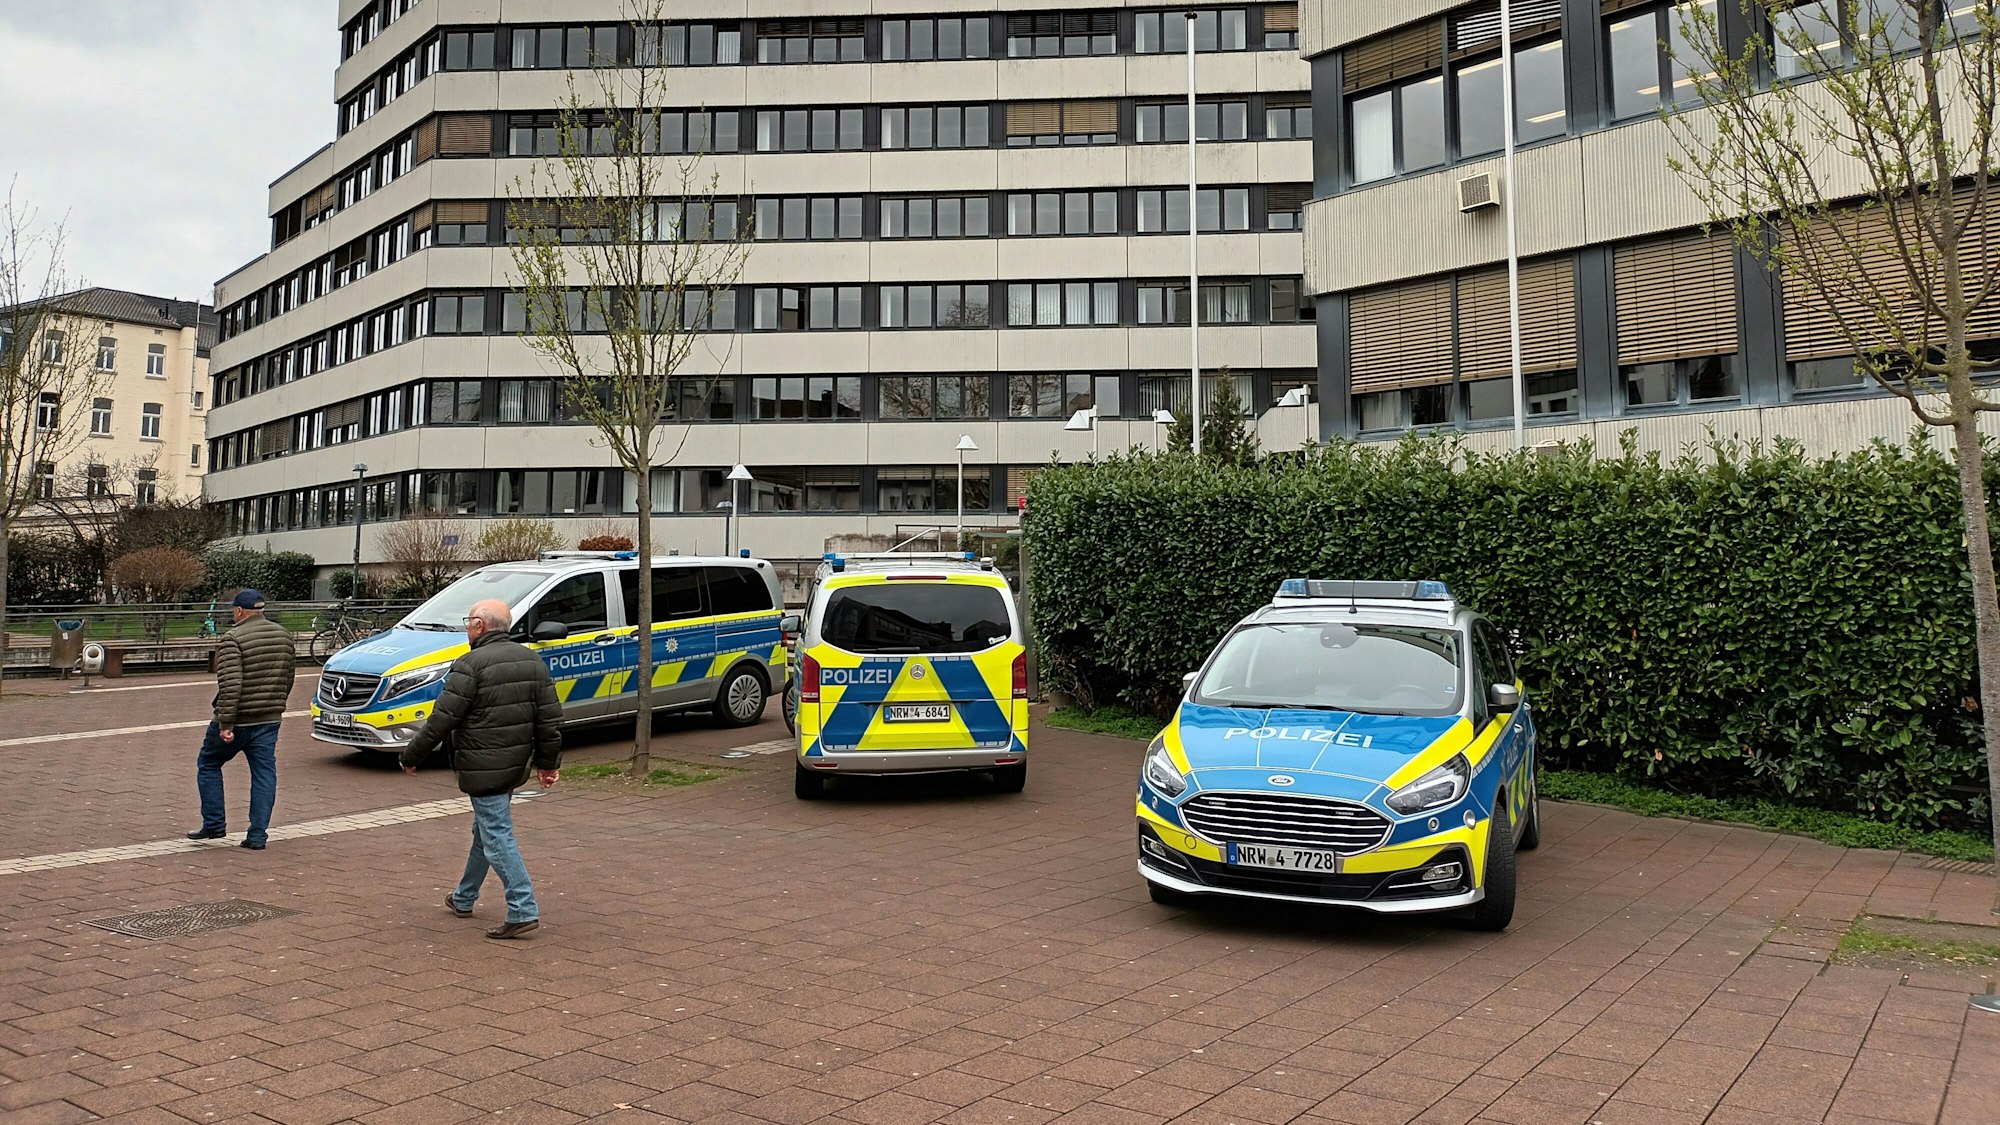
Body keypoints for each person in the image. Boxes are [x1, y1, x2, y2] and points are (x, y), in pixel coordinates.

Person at [400, 598, 562, 939]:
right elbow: (549, 720)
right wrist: (547, 764)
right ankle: (464, 897)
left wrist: (412, 755)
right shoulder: (532, 661)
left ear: (479, 625)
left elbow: (443, 718)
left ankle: (523, 908)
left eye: (468, 621)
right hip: (514, 763)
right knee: (485, 831)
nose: (466, 628)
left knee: (496, 835)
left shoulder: (470, 664)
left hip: (482, 765)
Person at [187, 589, 297, 850]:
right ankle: (257, 835)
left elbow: (230, 684)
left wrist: (226, 724)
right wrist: (275, 706)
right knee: (264, 774)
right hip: (269, 718)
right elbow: (289, 677)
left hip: (238, 719)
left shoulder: (232, 638)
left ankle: (214, 824)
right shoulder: (283, 636)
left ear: (238, 611)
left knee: (209, 763)